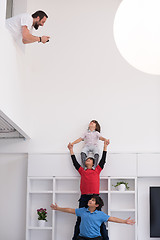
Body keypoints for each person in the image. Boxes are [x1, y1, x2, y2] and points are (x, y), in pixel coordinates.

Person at [68, 140, 110, 240]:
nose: (87, 160)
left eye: (90, 160)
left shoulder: (97, 170)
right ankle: (75, 238)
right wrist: (71, 150)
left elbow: (103, 160)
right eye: (86, 159)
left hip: (95, 197)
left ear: (93, 163)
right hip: (84, 198)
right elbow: (75, 163)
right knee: (79, 219)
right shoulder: (82, 171)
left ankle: (106, 238)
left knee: (100, 220)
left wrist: (105, 146)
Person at [50, 195, 135, 240]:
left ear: (97, 205)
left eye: (93, 200)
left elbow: (112, 218)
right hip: (82, 238)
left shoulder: (100, 214)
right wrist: (58, 208)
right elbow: (70, 210)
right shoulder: (82, 211)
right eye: (90, 199)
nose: (90, 200)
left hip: (96, 238)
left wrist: (124, 221)